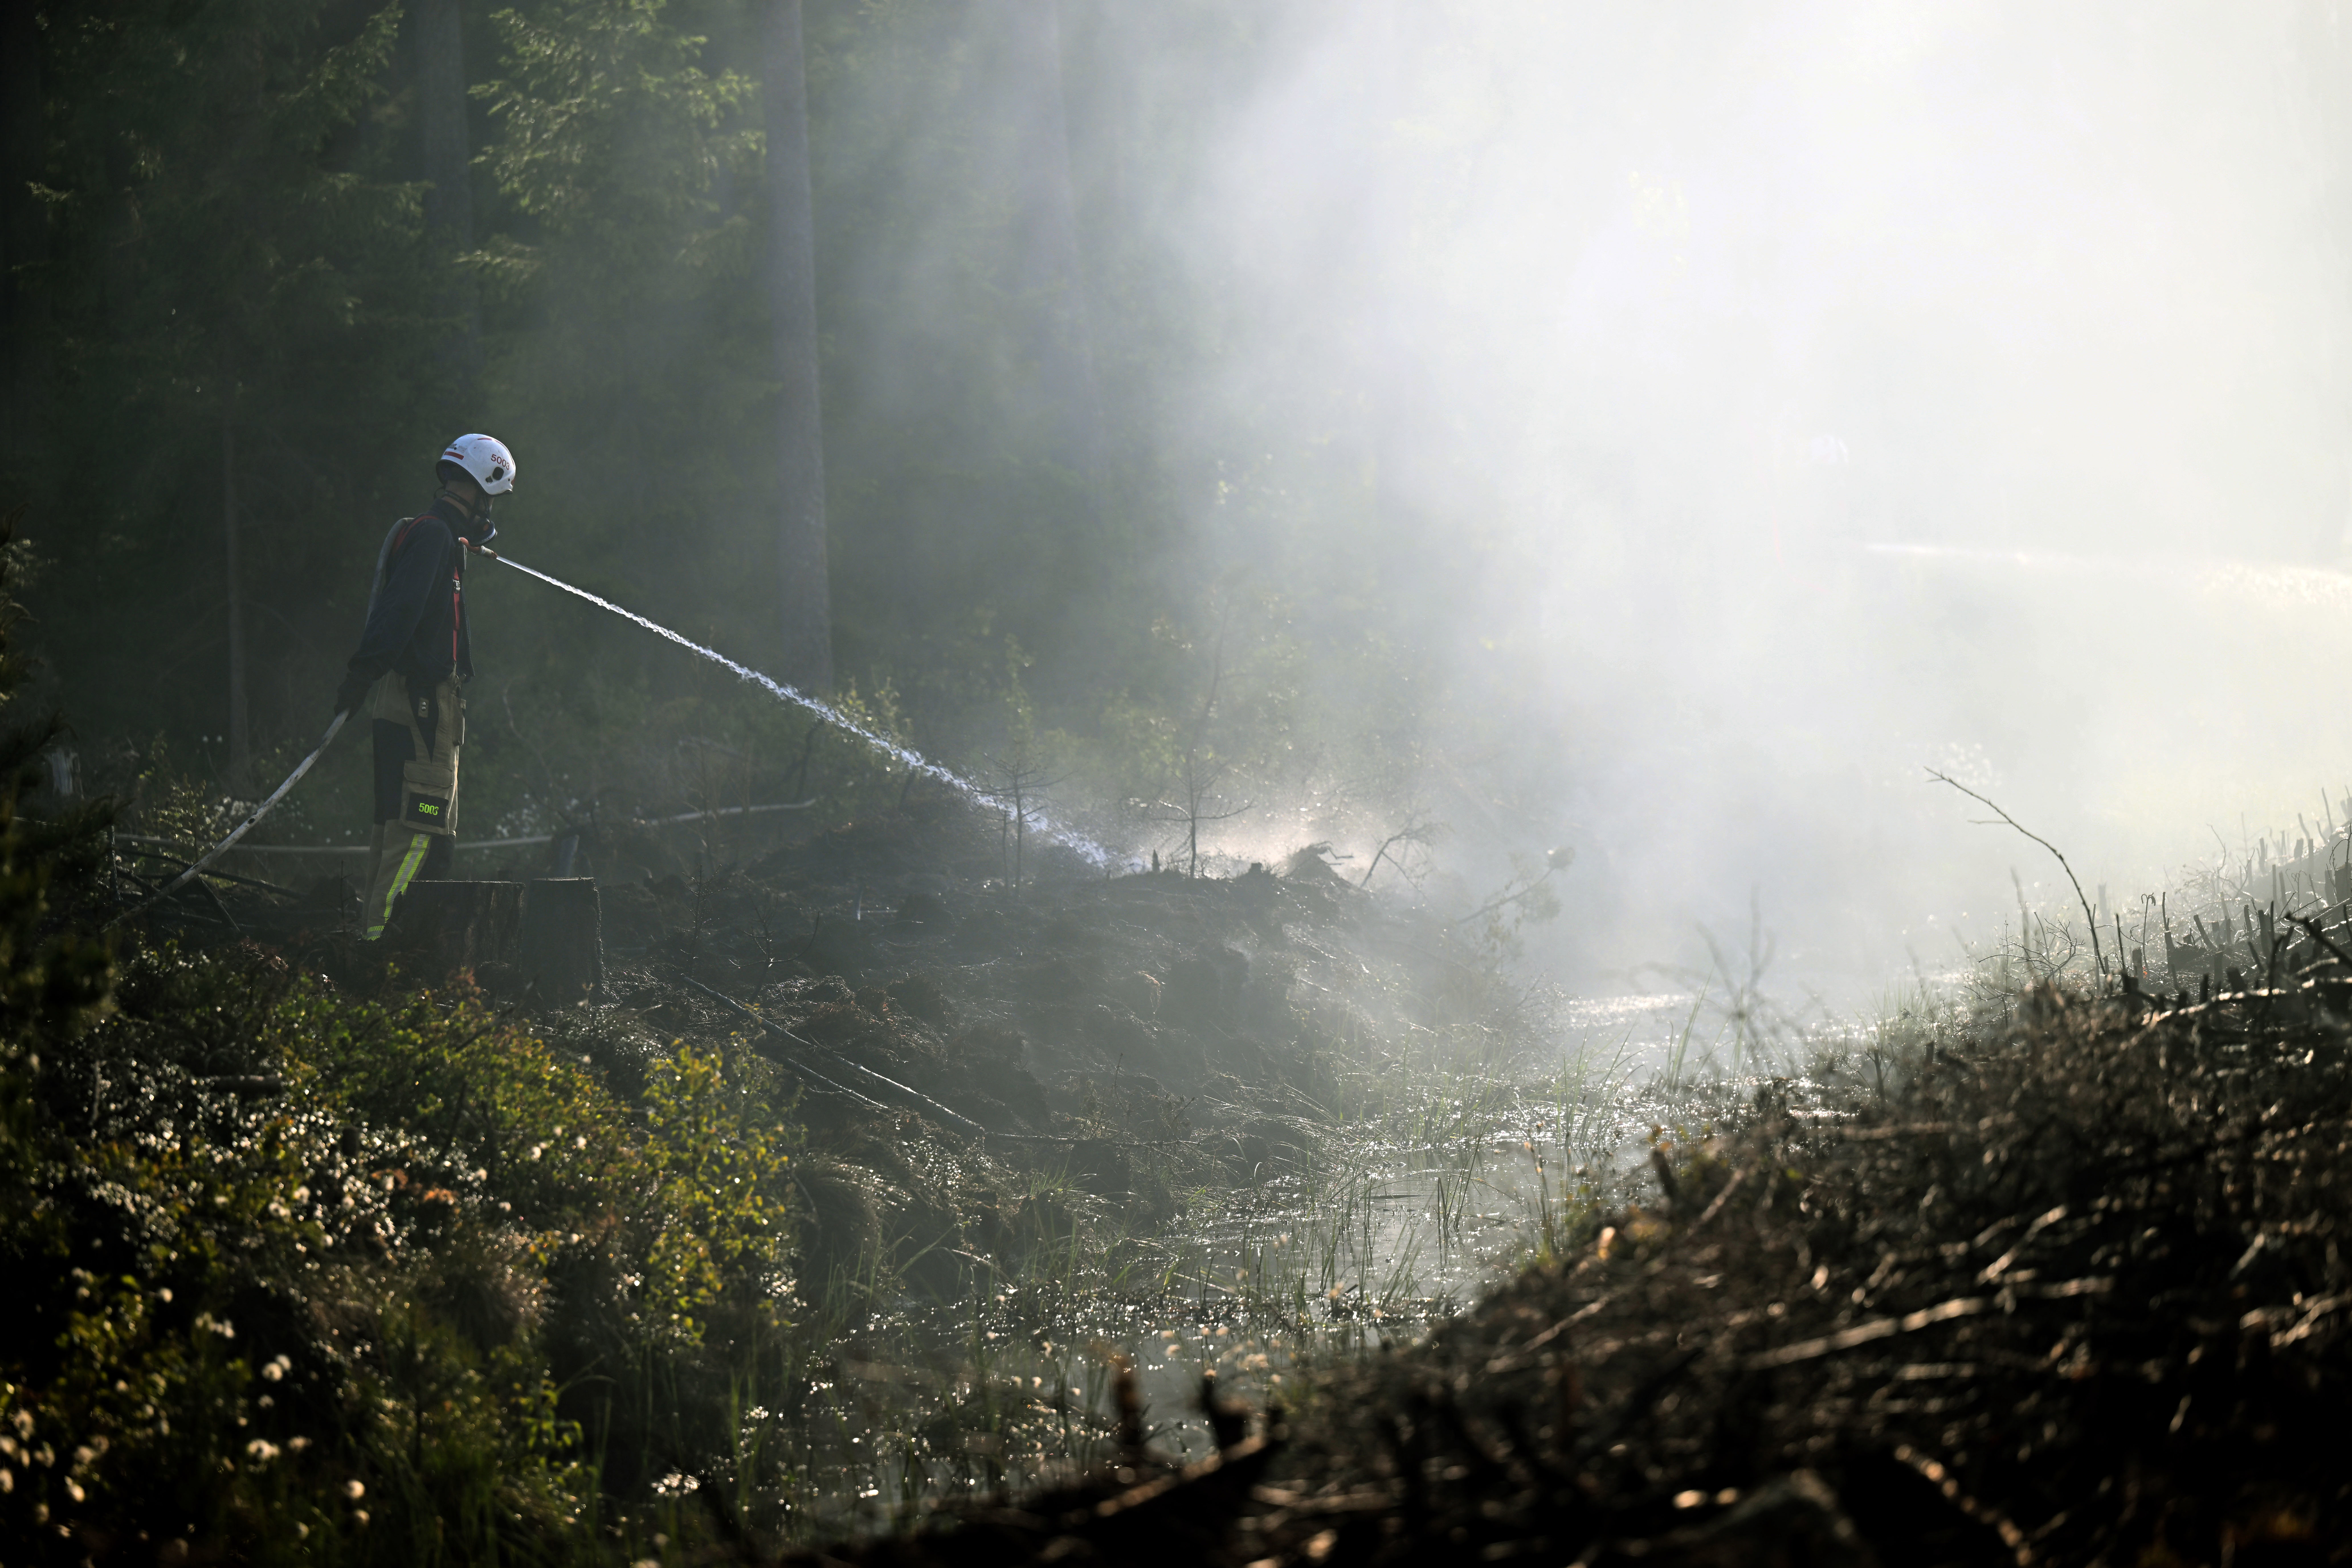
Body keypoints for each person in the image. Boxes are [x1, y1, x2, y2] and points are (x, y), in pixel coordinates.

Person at [334, 434, 516, 940]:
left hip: (409, 703)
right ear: (482, 488)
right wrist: (360, 673)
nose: (491, 509)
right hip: (423, 709)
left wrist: (364, 677)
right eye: (492, 498)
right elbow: (399, 612)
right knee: (420, 837)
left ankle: (369, 948)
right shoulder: (435, 536)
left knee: (397, 832)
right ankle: (387, 960)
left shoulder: (436, 536)